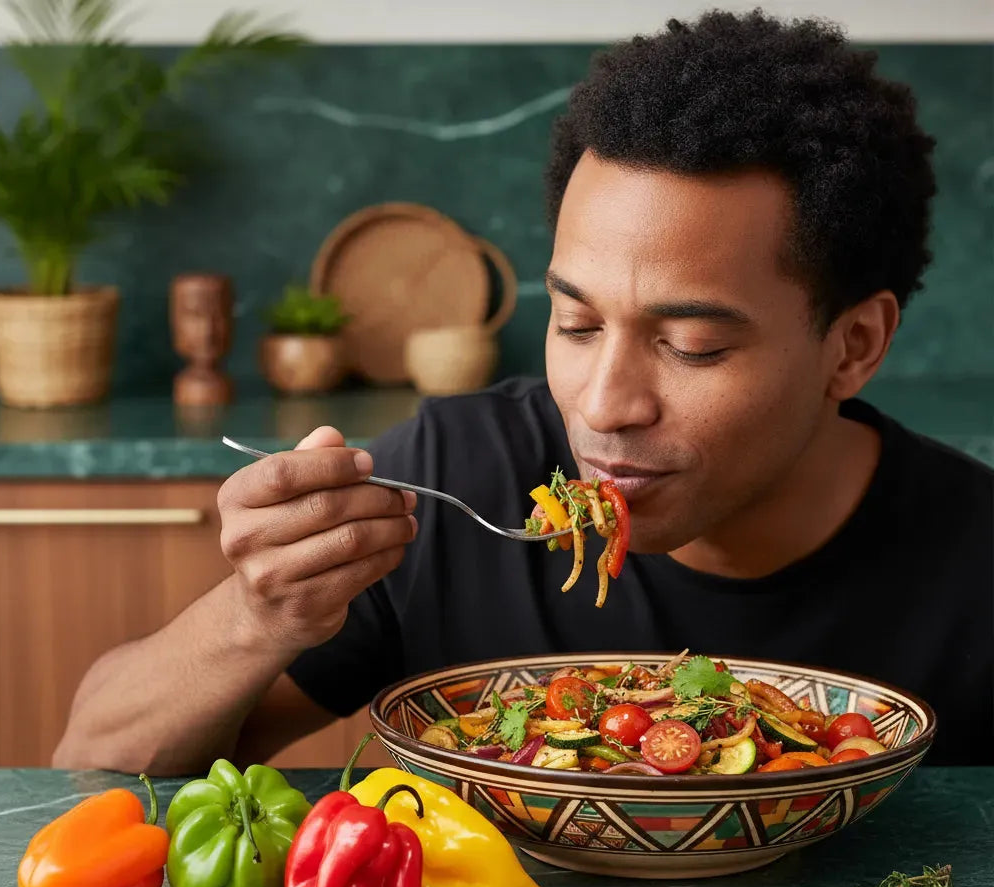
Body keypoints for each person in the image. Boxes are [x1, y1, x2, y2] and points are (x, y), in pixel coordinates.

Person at [53, 10, 993, 774]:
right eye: (577, 325)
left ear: (852, 346)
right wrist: (254, 617)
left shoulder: (973, 562)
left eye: (693, 345)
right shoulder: (455, 480)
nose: (602, 404)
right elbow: (91, 760)